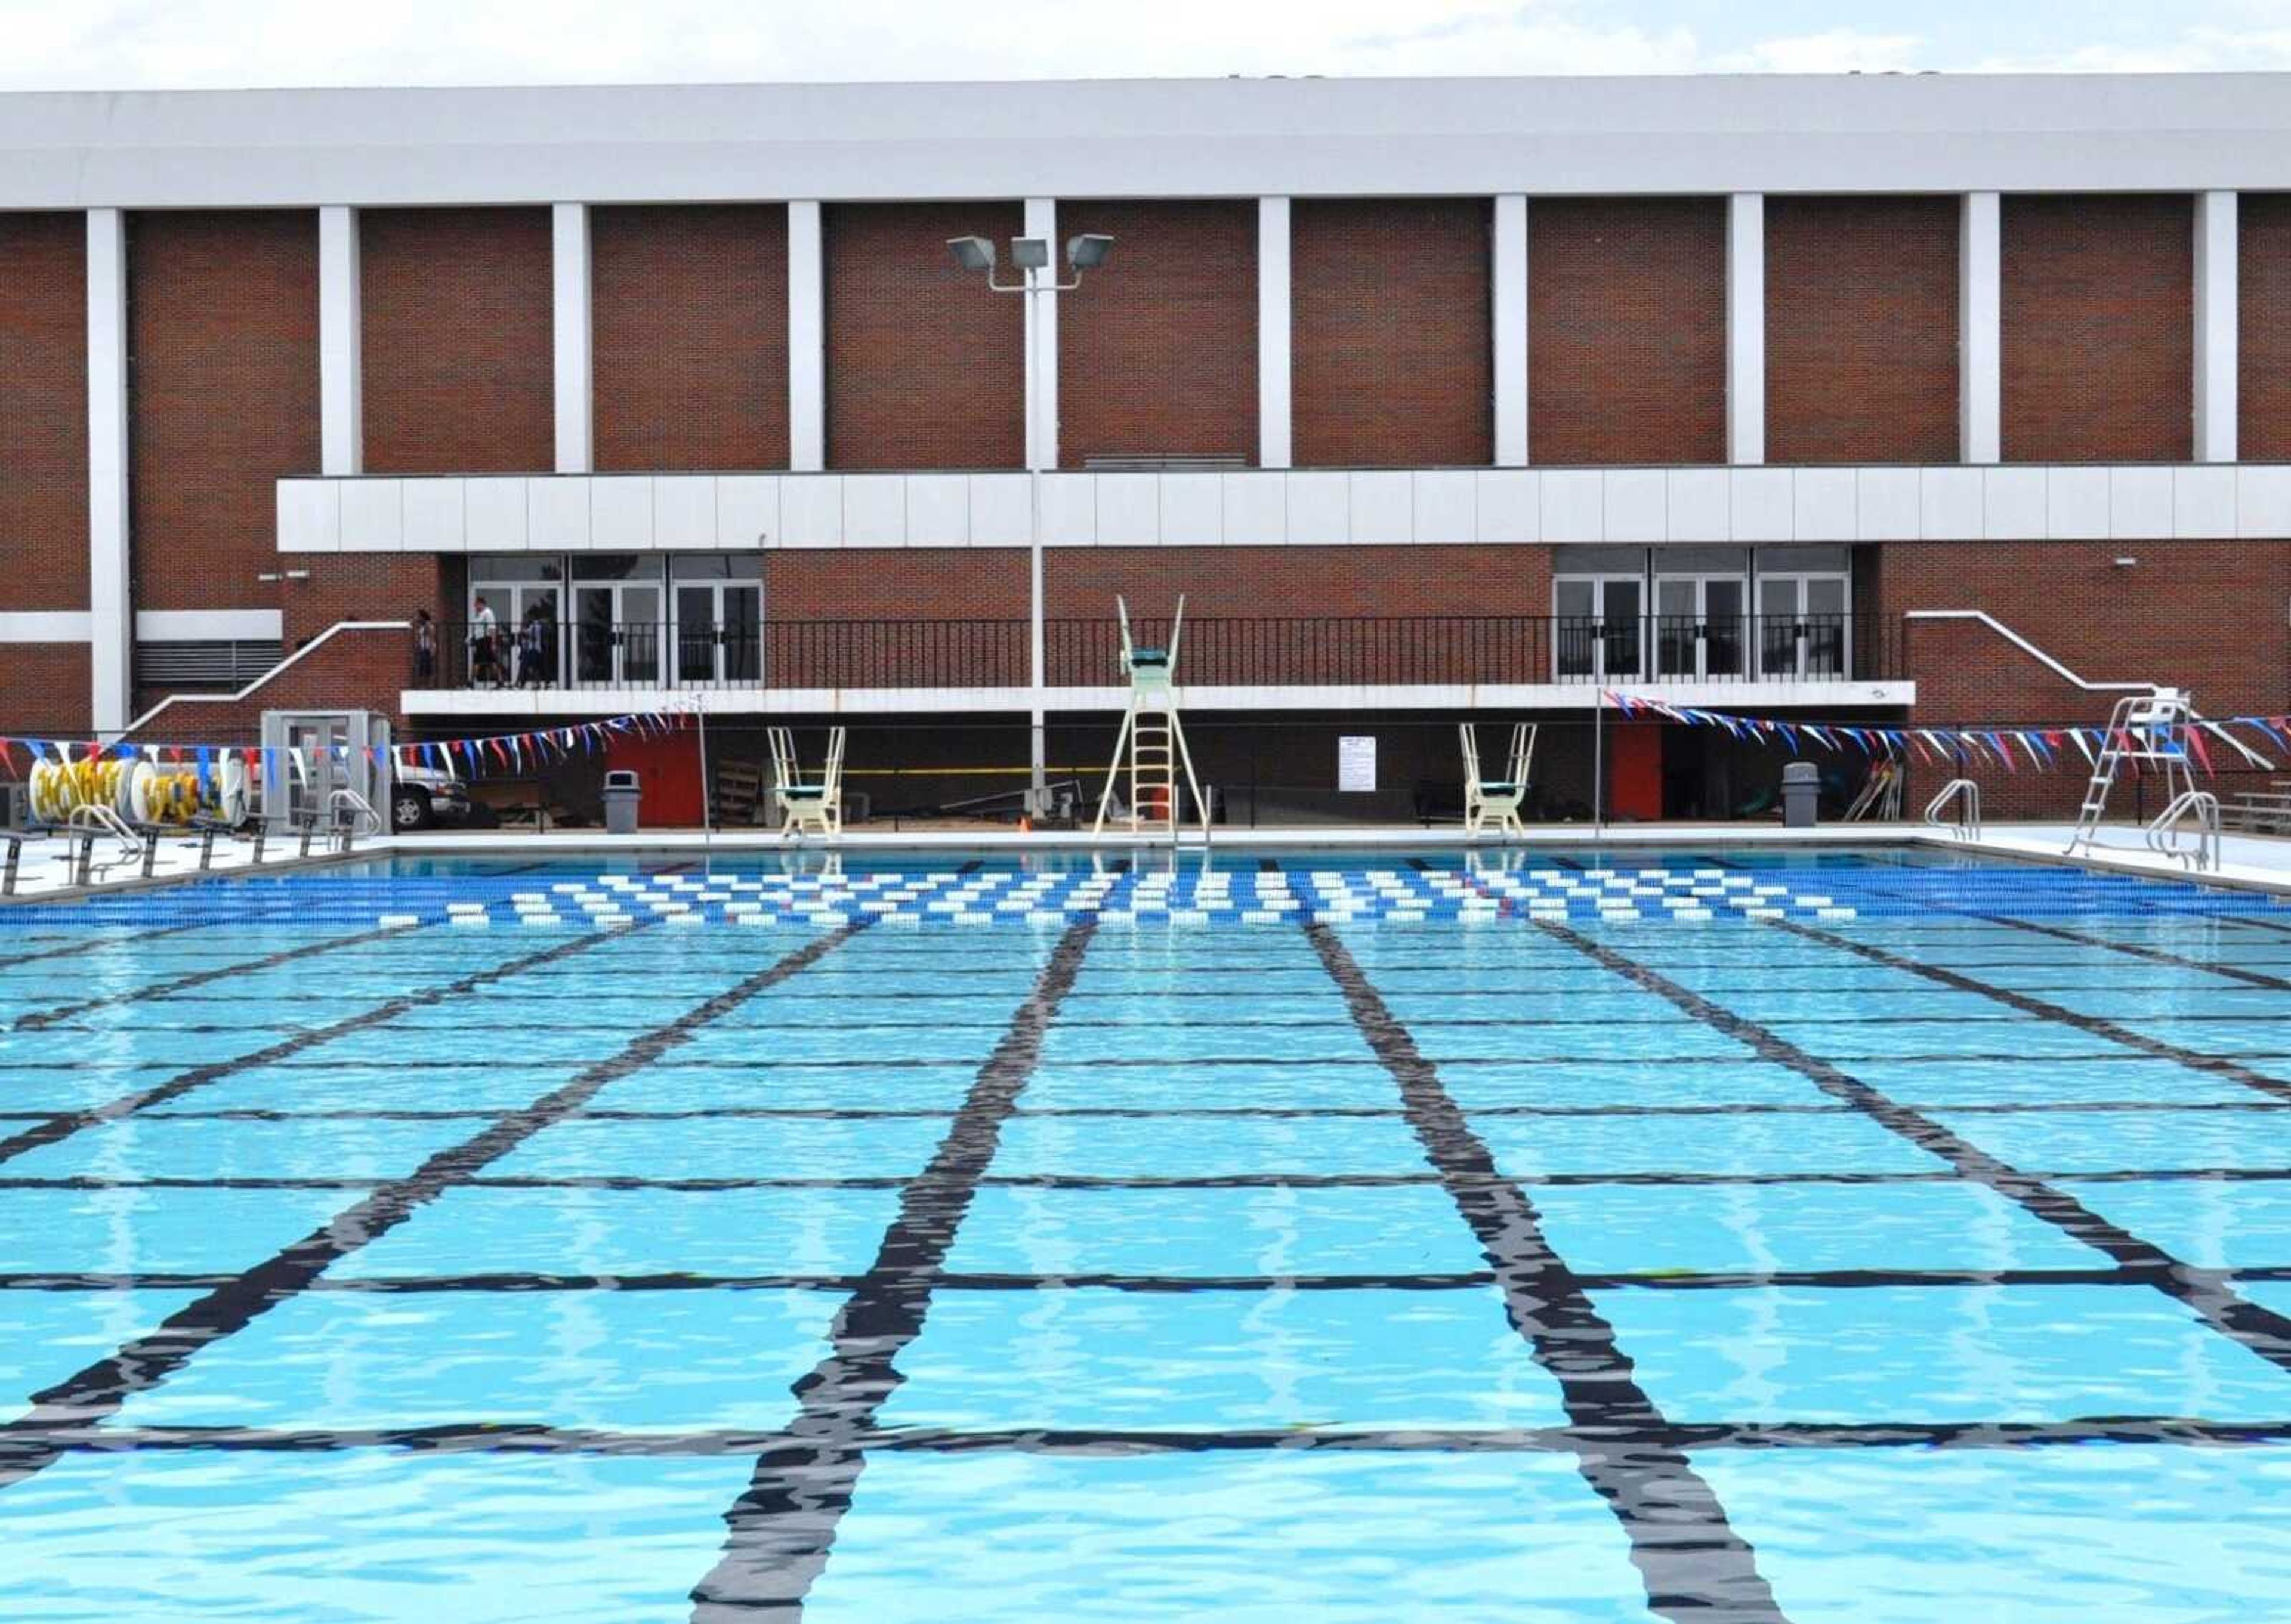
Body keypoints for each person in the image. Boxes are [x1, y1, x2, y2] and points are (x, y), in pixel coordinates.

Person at [518, 603, 549, 688]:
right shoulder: (531, 625)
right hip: (529, 649)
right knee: (528, 667)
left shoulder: (536, 625)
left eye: (529, 617)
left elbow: (534, 637)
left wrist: (525, 633)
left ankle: (538, 683)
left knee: (534, 667)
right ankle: (523, 683)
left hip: (535, 649)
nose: (527, 618)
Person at [470, 595, 499, 687]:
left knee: (480, 662)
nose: (475, 607)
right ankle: (499, 682)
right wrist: (472, 641)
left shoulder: (488, 613)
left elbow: (492, 628)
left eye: (476, 605)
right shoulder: (479, 615)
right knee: (489, 662)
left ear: (481, 604)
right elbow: (476, 630)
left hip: (486, 640)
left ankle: (471, 682)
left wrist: (493, 643)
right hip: (479, 641)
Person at [412, 609, 437, 687]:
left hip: (428, 649)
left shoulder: (428, 625)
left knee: (428, 667)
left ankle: (429, 685)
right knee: (422, 667)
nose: (417, 618)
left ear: (423, 617)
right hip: (423, 649)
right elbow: (413, 623)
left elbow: (432, 638)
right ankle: (424, 685)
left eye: (419, 616)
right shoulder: (422, 626)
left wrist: (432, 649)